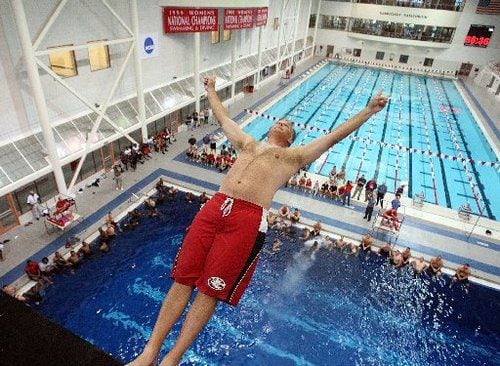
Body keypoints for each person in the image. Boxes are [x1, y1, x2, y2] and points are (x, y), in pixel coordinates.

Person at [128, 74, 388, 365]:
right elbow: (223, 118)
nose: (282, 122)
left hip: (247, 218)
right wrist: (211, 89)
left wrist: (368, 110)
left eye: (288, 126)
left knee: (209, 289)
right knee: (182, 278)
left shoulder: (294, 156)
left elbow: (333, 136)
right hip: (216, 206)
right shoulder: (248, 143)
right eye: (281, 121)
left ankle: (172, 359)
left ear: (290, 138)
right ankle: (149, 352)